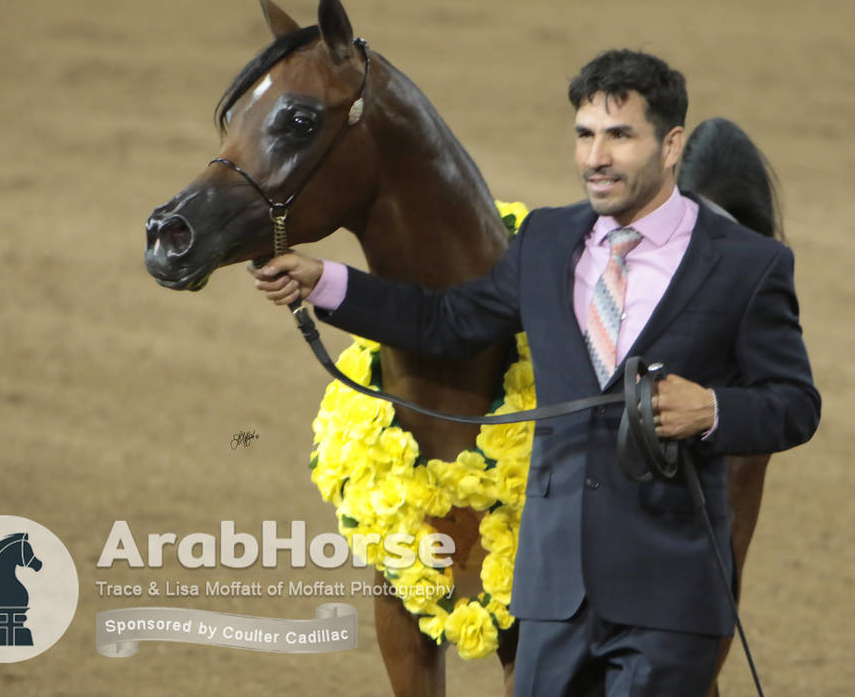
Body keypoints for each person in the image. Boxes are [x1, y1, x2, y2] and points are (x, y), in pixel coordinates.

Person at [251, 49, 820, 696]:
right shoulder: (549, 241)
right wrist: (324, 281)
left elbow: (794, 405)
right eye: (586, 135)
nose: (597, 157)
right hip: (555, 600)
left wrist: (713, 409)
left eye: (620, 136)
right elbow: (446, 323)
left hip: (667, 595)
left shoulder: (750, 263)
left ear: (670, 146)